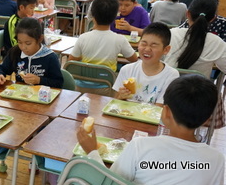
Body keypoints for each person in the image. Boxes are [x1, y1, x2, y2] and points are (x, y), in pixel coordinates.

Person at [77, 75, 224, 185]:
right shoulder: (217, 160)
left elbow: (109, 182)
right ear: (207, 119)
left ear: (165, 112)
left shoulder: (140, 146)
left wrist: (92, 152)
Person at [113, 22, 179, 105]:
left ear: (166, 50)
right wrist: (120, 96)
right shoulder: (127, 70)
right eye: (144, 43)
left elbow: (160, 108)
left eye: (154, 45)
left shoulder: (171, 75)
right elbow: (115, 102)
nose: (147, 49)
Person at [70, 0, 138, 72]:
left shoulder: (83, 37)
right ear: (114, 17)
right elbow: (134, 59)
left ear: (93, 16)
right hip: (108, 82)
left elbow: (71, 62)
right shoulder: (120, 39)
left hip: (81, 82)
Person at [164, 0, 226, 78]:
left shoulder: (171, 34)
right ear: (213, 18)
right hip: (198, 89)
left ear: (188, 13)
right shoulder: (216, 42)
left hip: (169, 87)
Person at [0, 17, 63, 88]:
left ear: (40, 39)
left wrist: (39, 80)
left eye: (28, 43)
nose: (23, 47)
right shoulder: (15, 52)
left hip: (42, 97)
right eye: (20, 42)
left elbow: (58, 83)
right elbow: (1, 68)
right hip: (20, 95)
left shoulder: (50, 57)